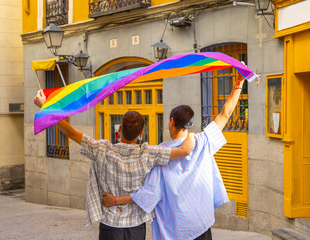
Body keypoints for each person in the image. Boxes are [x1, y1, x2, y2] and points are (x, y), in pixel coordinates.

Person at [33, 92, 196, 240]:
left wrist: (45, 107)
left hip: (110, 226)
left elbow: (70, 132)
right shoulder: (149, 153)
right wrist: (193, 134)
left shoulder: (101, 150)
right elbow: (185, 150)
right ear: (141, 134)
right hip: (136, 226)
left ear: (119, 130)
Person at [102, 72, 246, 240]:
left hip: (176, 231)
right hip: (201, 225)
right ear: (188, 124)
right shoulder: (202, 141)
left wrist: (116, 200)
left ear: (171, 121)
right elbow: (225, 113)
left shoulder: (160, 154)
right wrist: (239, 81)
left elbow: (148, 194)